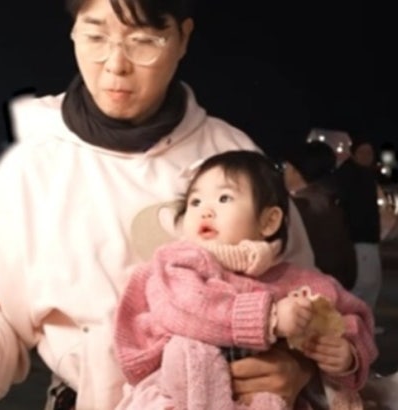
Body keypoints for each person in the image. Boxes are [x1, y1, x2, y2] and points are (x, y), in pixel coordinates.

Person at [0, 0, 318, 408]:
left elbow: (310, 293)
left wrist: (298, 366)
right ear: (73, 31)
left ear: (182, 38)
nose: (115, 65)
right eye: (95, 37)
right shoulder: (35, 165)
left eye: (143, 41)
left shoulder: (231, 154)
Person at [113, 151, 377, 410]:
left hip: (264, 396)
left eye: (224, 198)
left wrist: (347, 355)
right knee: (189, 349)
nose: (205, 210)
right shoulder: (177, 263)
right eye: (195, 202)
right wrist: (270, 318)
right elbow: (185, 308)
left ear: (269, 221)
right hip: (178, 394)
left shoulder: (294, 280)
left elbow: (353, 315)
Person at [283, 142, 357, 290]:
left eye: (287, 167)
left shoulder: (295, 209)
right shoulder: (333, 203)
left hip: (307, 291)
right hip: (337, 287)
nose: (284, 173)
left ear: (297, 172)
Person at [334, 140, 382, 309]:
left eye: (370, 152)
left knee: (368, 285)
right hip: (359, 239)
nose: (367, 156)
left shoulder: (363, 174)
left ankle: (362, 320)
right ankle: (358, 321)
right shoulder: (351, 176)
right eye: (362, 152)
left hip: (366, 239)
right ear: (353, 154)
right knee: (364, 286)